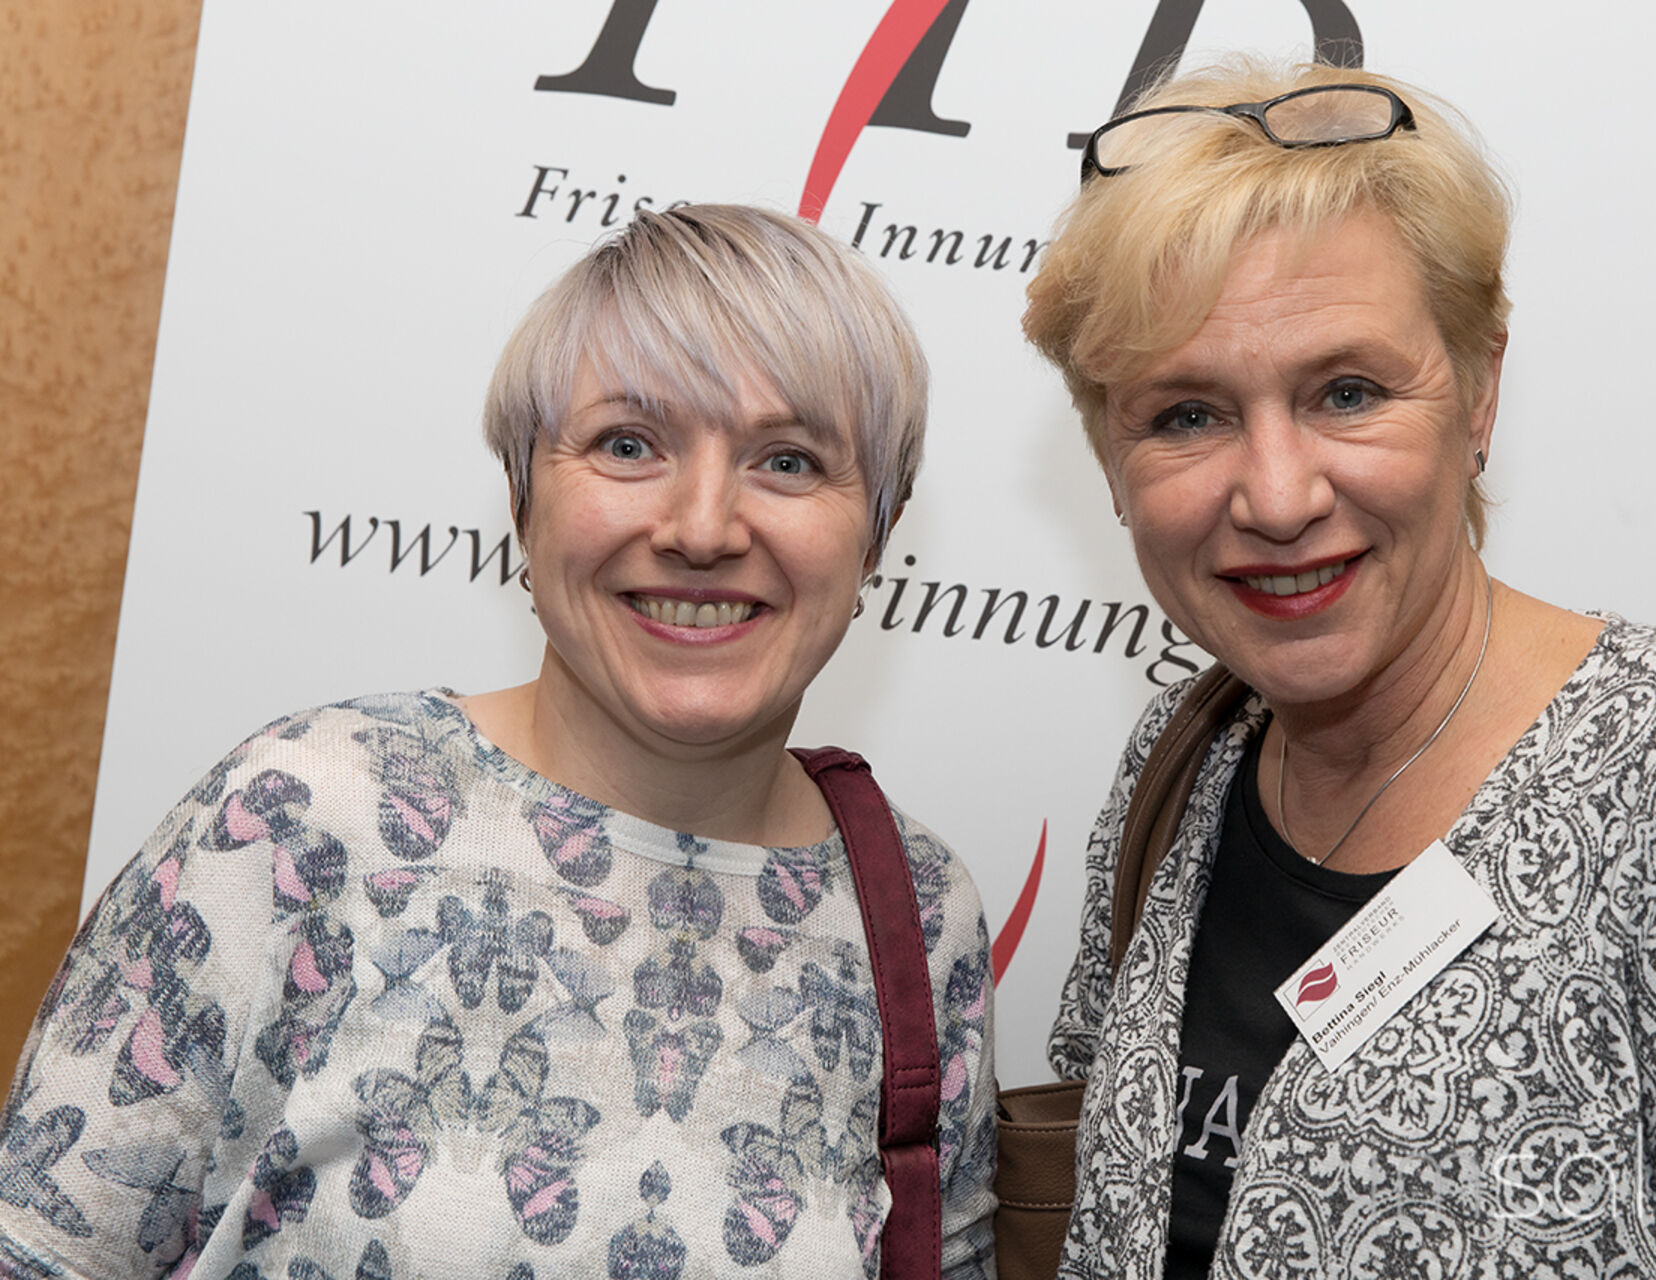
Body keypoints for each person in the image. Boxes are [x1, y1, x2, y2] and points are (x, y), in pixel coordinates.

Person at [1022, 58, 1656, 1278]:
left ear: (1481, 390)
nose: (1277, 496)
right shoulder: (1183, 763)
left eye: (1347, 392)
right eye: (1187, 414)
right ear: (1109, 458)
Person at [0, 206, 996, 1279]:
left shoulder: (917, 911)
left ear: (878, 531)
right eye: (628, 444)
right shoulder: (300, 819)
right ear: (523, 496)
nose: (703, 527)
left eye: (789, 461)